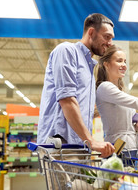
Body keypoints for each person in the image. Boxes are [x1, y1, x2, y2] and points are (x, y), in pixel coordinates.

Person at [37, 13, 115, 158]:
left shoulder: (89, 68)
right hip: (60, 145)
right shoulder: (67, 51)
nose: (110, 43)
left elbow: (82, 108)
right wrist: (91, 141)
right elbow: (67, 100)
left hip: (79, 146)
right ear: (91, 32)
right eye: (107, 37)